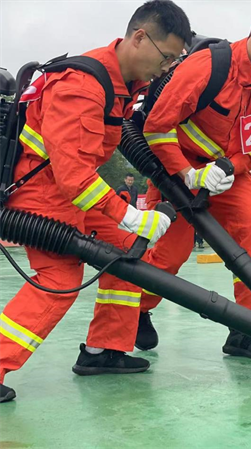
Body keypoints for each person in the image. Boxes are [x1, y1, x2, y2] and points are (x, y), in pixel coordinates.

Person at [0, 0, 190, 403]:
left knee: (125, 256)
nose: (167, 67)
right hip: (39, 194)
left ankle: (104, 351)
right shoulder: (83, 85)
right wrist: (131, 216)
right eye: (166, 57)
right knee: (60, 280)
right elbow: (74, 178)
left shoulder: (121, 86)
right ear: (139, 37)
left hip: (69, 192)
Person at [139, 1, 251, 359]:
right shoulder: (208, 68)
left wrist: (230, 166)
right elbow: (156, 127)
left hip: (230, 176)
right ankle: (135, 310)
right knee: (170, 252)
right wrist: (189, 173)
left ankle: (247, 328)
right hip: (178, 170)